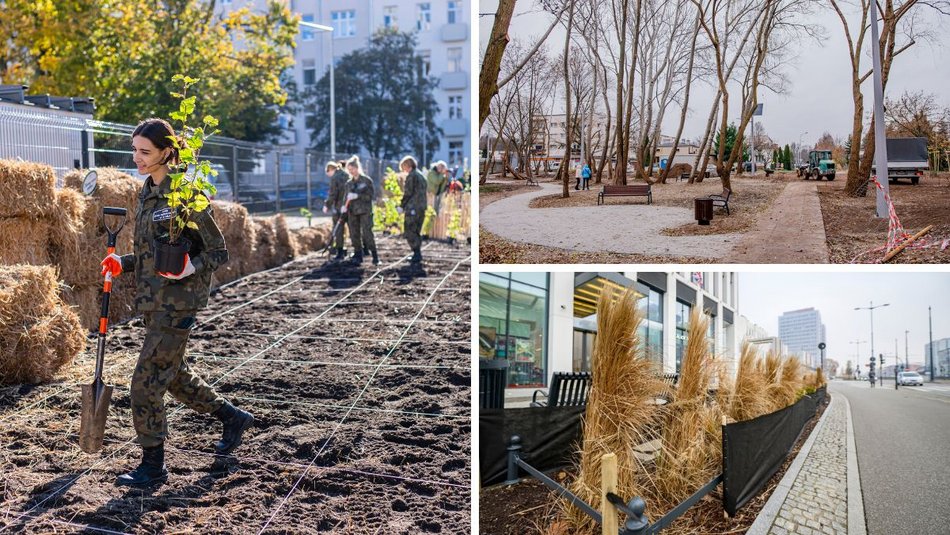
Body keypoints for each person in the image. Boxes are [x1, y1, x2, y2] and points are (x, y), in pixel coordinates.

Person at [100, 118, 253, 487]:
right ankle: (232, 417)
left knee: (144, 383)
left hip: (178, 304)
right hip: (153, 301)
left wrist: (189, 268)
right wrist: (126, 262)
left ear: (167, 152)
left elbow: (218, 251)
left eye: (144, 151)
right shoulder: (148, 190)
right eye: (134, 150)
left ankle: (152, 466)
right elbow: (153, 252)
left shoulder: (186, 193)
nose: (136, 158)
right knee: (174, 376)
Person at [343, 155, 378, 265]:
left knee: (367, 233)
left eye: (352, 169)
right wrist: (344, 206)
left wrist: (357, 196)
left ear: (357, 168)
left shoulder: (366, 181)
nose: (351, 172)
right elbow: (346, 197)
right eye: (349, 170)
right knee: (354, 234)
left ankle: (375, 255)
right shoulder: (348, 183)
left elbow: (370, 196)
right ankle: (358, 255)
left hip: (365, 212)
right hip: (352, 212)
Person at [399, 155, 428, 264]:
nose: (403, 170)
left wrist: (401, 206)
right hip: (421, 207)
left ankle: (416, 253)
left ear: (408, 165)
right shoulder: (421, 175)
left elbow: (408, 193)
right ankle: (417, 253)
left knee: (410, 230)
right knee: (416, 230)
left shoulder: (412, 176)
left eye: (404, 167)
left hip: (413, 207)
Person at [323, 161, 349, 260]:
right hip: (350, 207)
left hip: (339, 208)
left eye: (328, 172)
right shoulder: (347, 174)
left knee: (338, 230)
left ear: (330, 170)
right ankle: (359, 251)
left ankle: (340, 252)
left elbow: (333, 193)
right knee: (353, 229)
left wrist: (327, 205)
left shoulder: (335, 178)